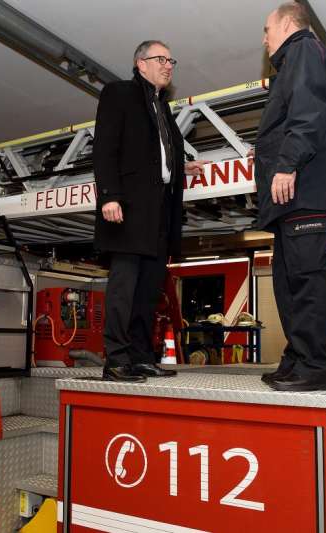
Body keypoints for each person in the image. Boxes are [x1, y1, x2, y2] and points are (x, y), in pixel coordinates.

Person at [93, 40, 208, 382]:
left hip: (158, 212)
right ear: (140, 63)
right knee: (124, 287)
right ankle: (115, 360)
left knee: (147, 290)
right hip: (126, 208)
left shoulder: (161, 106)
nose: (168, 65)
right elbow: (105, 146)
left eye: (171, 59)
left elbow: (157, 154)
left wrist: (181, 167)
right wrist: (109, 196)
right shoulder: (119, 93)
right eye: (161, 59)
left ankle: (141, 357)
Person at [255, 3, 326, 391]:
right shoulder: (296, 58)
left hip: (305, 190)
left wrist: (287, 162)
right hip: (293, 198)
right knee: (289, 280)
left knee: (307, 280)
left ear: (286, 23)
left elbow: (307, 113)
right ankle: (298, 356)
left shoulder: (303, 49)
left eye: (266, 29)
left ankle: (315, 366)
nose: (264, 39)